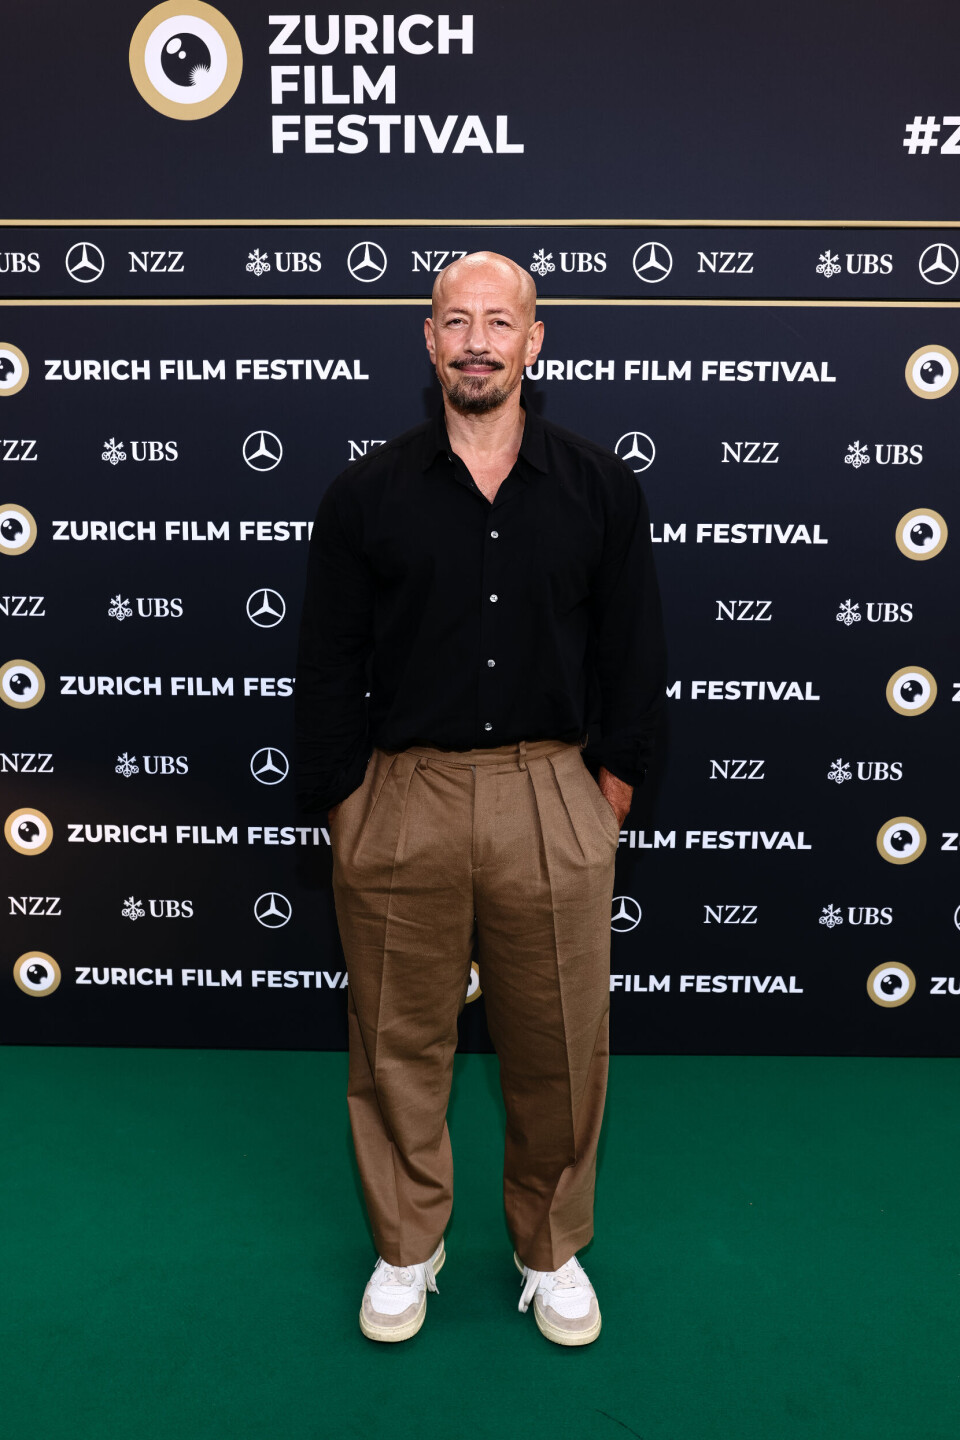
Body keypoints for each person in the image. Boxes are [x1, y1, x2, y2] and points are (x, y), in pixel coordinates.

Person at [295, 251, 665, 1346]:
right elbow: (327, 665)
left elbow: (634, 661)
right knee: (396, 1041)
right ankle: (408, 1246)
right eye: (457, 322)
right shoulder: (367, 493)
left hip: (552, 790)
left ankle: (551, 1249)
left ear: (534, 341)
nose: (477, 341)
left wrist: (604, 803)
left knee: (558, 1043)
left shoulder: (600, 487)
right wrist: (347, 810)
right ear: (428, 340)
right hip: (401, 796)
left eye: (499, 322)